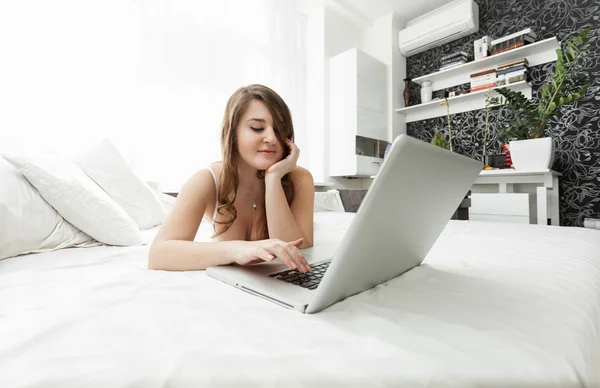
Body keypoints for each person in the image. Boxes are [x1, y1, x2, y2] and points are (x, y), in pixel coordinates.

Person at [148, 84, 314, 272]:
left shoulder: (300, 178)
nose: (272, 138)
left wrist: (274, 179)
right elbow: (158, 255)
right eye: (257, 128)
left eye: (279, 130)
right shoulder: (207, 180)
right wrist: (237, 249)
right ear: (232, 132)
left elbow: (298, 255)